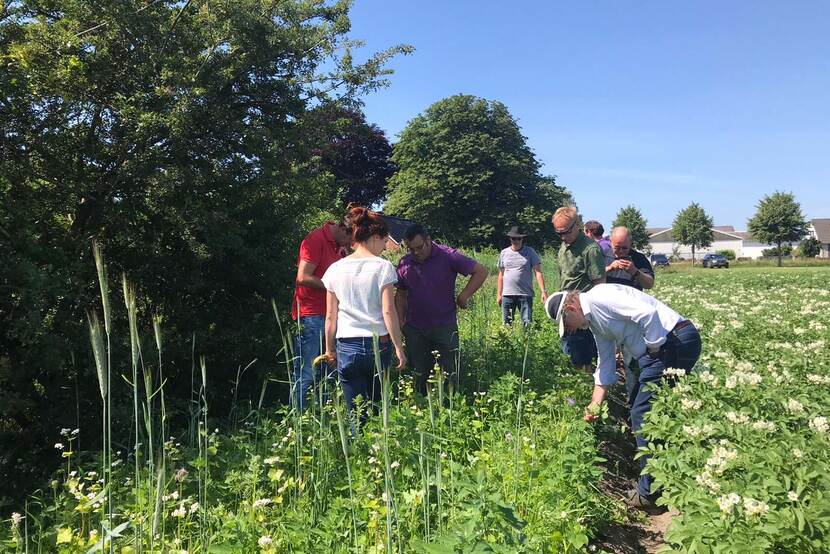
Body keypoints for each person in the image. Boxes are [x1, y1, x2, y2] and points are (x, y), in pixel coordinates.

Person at [545, 284, 701, 509]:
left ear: (571, 307)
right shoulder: (596, 324)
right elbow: (606, 363)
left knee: (643, 412)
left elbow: (647, 313)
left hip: (675, 339)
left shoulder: (600, 298)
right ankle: (671, 477)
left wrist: (654, 349)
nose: (569, 330)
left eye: (566, 323)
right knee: (649, 410)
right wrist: (594, 404)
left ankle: (651, 492)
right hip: (665, 345)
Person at [320, 206, 406, 416]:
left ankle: (355, 446)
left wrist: (329, 349)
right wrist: (398, 347)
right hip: (379, 344)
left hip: (347, 347)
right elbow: (388, 312)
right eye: (385, 241)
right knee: (379, 410)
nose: (385, 247)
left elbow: (331, 316)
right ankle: (378, 447)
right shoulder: (383, 267)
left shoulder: (334, 269)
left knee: (355, 413)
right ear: (375, 237)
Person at [395, 224, 488, 395]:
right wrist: (400, 323)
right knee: (419, 373)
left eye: (419, 247)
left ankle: (451, 405)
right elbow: (400, 294)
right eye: (411, 249)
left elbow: (481, 271)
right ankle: (422, 405)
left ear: (428, 240)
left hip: (444, 326)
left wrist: (463, 296)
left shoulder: (447, 256)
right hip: (415, 329)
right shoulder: (405, 263)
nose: (416, 252)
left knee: (450, 371)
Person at [289, 215, 352, 411]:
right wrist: (334, 286)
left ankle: (325, 415)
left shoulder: (339, 247)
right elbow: (303, 277)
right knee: (305, 372)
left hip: (332, 315)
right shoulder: (315, 240)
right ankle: (297, 421)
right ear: (343, 229)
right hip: (311, 315)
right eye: (351, 239)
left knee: (330, 369)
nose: (352, 245)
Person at [553, 207, 606, 370]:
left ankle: (587, 389)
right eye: (558, 233)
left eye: (566, 232)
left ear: (577, 225)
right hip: (566, 309)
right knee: (569, 353)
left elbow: (600, 286)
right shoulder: (564, 247)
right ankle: (576, 387)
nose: (562, 237)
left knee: (583, 359)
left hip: (582, 313)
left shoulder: (590, 250)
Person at [497, 226, 547, 326]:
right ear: (510, 238)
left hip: (525, 294)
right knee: (506, 325)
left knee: (527, 323)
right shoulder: (504, 253)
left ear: (522, 239)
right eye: (513, 238)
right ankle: (507, 342)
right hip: (507, 294)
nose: (516, 241)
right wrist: (499, 294)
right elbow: (501, 275)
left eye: (518, 238)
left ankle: (527, 341)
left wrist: (543, 291)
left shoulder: (530, 252)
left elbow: (538, 272)